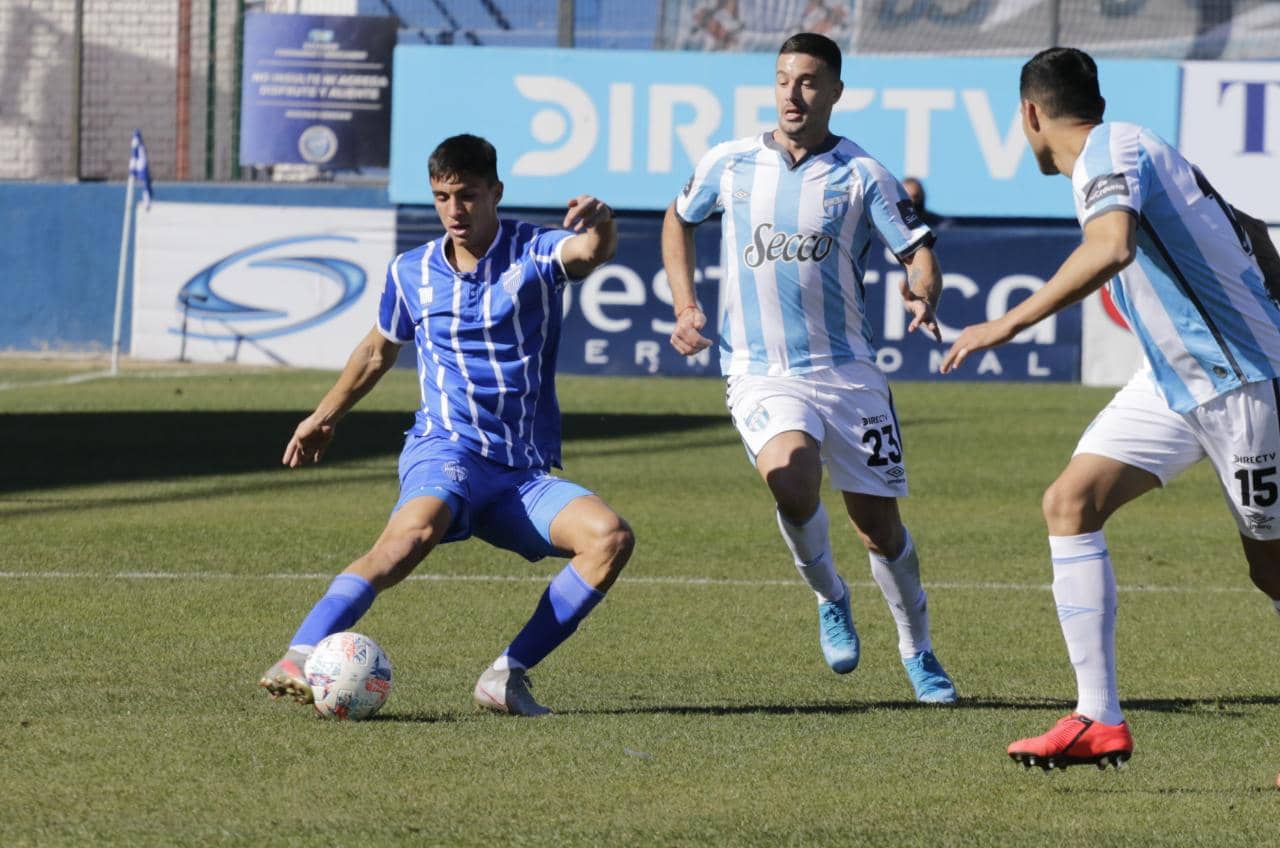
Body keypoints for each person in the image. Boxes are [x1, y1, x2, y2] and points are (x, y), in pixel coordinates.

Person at [941, 46, 1280, 769]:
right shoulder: (1135, 146)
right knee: (1070, 503)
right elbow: (1247, 230)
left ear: (1030, 114)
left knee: (1274, 569)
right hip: (1173, 383)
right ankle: (1098, 717)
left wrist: (1004, 324)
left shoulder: (1109, 151)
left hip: (1242, 382)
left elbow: (1111, 248)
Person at [259, 134, 633, 717]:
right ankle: (300, 653)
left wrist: (602, 221)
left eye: (467, 196)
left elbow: (590, 254)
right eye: (442, 197)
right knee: (410, 538)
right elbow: (378, 349)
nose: (454, 211)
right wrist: (322, 416)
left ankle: (505, 677)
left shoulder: (534, 251)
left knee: (609, 538)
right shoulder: (412, 272)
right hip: (445, 450)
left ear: (495, 194)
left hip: (519, 474)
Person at [663, 32, 957, 703]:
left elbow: (917, 250)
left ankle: (920, 652)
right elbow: (678, 219)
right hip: (760, 370)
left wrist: (921, 288)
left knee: (878, 527)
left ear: (834, 92)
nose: (793, 94)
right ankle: (831, 595)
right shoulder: (730, 162)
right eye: (783, 80)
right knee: (792, 479)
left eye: (809, 82)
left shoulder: (861, 174)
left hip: (848, 373)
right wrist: (686, 304)